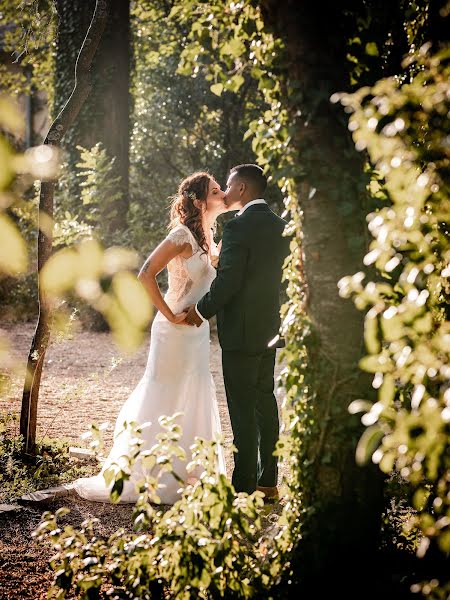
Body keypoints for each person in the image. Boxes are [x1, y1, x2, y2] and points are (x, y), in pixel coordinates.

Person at [73, 172, 227, 504]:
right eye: (216, 191)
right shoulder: (182, 235)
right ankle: (151, 475)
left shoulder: (209, 236)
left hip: (197, 332)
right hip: (173, 330)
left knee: (194, 394)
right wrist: (170, 314)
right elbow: (145, 273)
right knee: (166, 396)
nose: (223, 193)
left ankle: (192, 475)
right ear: (200, 201)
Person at [184, 164, 290, 500]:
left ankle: (242, 487)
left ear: (242, 188)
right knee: (265, 401)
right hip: (269, 328)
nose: (225, 194)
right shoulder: (280, 226)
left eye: (228, 187)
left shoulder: (238, 228)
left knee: (242, 408)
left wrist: (200, 311)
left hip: (240, 334)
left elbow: (229, 282)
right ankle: (268, 481)